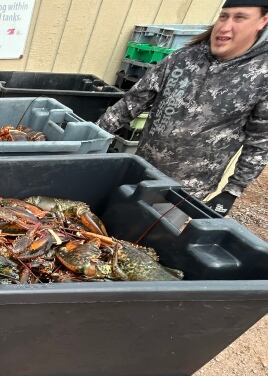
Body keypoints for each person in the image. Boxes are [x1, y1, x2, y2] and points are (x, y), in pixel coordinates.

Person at [98, 0, 268, 216]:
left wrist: (232, 191)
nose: (225, 27)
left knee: (148, 240)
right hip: (140, 171)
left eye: (240, 17)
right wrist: (93, 137)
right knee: (114, 221)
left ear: (263, 21)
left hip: (183, 193)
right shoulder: (184, 57)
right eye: (223, 16)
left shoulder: (262, 75)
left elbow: (259, 143)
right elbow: (131, 103)